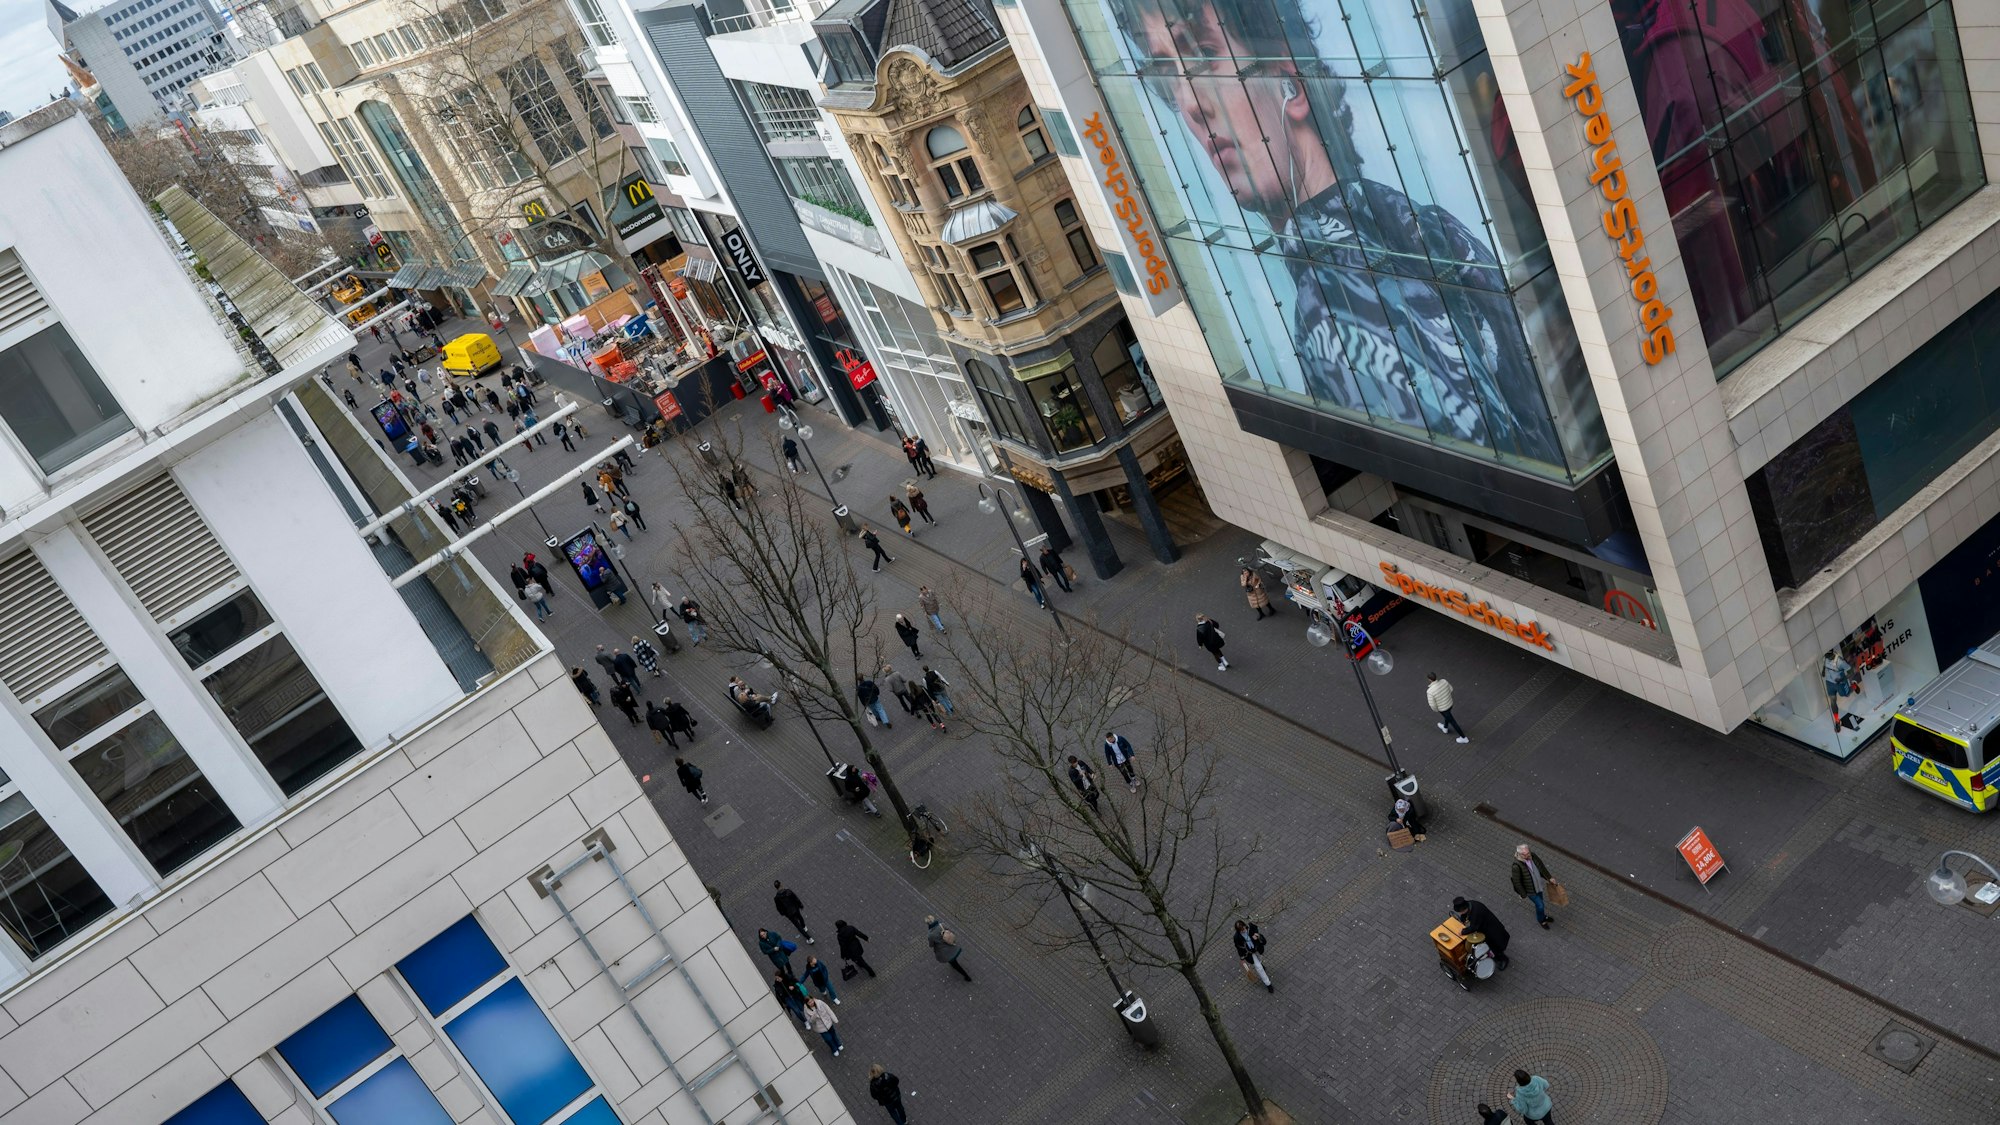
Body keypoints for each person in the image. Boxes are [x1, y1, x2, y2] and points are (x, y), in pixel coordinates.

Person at [1109, 0, 1584, 473]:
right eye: (1168, 74)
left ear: (1291, 85)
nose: (1190, 103)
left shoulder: (1333, 304)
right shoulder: (1416, 224)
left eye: (1204, 56)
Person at [1451, 896, 1510, 970]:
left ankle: (1503, 959)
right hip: (1485, 928)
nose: (1460, 913)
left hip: (1491, 930)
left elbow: (1473, 927)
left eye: (1460, 912)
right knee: (1491, 945)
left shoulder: (1476, 912)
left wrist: (1462, 932)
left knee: (1496, 946)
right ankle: (1496, 955)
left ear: (1464, 909)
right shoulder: (1470, 905)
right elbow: (1465, 916)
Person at [1511, 843, 1556, 929]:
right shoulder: (1516, 866)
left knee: (1540, 903)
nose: (1528, 855)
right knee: (1540, 905)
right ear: (1519, 854)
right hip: (1530, 891)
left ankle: (1542, 916)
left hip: (1538, 886)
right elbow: (1517, 882)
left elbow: (1541, 868)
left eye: (1528, 853)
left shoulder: (1533, 856)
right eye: (1525, 854)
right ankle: (1541, 920)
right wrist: (1523, 894)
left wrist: (1549, 878)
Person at [926, 915, 970, 981]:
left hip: (944, 952)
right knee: (953, 960)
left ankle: (966, 976)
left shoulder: (930, 935)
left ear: (928, 924)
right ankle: (955, 966)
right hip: (951, 946)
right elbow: (951, 931)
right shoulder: (942, 925)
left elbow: (931, 945)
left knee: (955, 965)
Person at [1428, 673, 1469, 743]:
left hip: (1443, 709)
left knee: (1453, 722)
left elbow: (1433, 705)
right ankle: (1445, 727)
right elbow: (1451, 689)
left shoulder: (1430, 691)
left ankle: (1464, 738)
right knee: (1448, 716)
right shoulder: (1444, 681)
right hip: (1450, 704)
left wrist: (1436, 710)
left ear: (1429, 680)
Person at [1234, 920, 1272, 993]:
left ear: (1245, 925)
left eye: (1243, 929)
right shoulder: (1237, 937)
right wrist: (1242, 958)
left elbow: (1257, 932)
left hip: (1257, 948)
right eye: (1241, 930)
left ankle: (1261, 964)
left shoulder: (1250, 926)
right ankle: (1268, 984)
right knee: (1259, 968)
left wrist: (1257, 936)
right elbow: (1238, 947)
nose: (1243, 931)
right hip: (1249, 953)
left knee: (1260, 960)